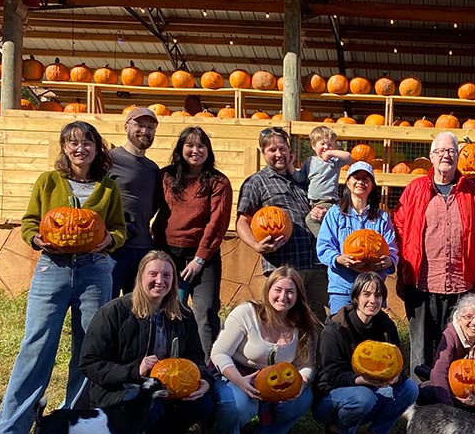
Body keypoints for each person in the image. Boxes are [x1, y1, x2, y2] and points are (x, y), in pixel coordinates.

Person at [0, 121, 126, 434]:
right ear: (64, 148)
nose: (81, 149)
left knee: (88, 351)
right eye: (73, 143)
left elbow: (120, 230)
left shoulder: (108, 188)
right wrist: (36, 238)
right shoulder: (48, 181)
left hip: (95, 270)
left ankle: (72, 425)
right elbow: (30, 222)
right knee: (36, 345)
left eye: (87, 143)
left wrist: (110, 240)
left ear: (98, 148)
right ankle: (11, 430)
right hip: (53, 268)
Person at [79, 250, 213, 434]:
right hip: (120, 388)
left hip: (169, 387)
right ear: (141, 276)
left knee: (203, 403)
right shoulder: (114, 312)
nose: (160, 281)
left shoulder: (183, 315)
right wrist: (135, 370)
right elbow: (89, 363)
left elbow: (196, 358)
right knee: (145, 403)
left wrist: (203, 379)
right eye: (153, 274)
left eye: (167, 275)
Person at [393, 131, 475, 370]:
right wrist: (403, 271)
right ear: (431, 157)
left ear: (458, 156)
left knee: (455, 347)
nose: (446, 155)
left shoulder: (472, 191)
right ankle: (420, 401)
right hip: (421, 282)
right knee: (420, 350)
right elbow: (400, 229)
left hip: (459, 282)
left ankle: (449, 400)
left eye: (451, 151)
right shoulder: (414, 189)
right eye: (440, 151)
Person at [209, 266, 321, 434]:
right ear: (268, 290)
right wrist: (239, 380)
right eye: (278, 290)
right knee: (235, 405)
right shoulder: (246, 313)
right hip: (238, 374)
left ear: (298, 295)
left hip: (278, 380)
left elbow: (307, 365)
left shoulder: (303, 325)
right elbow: (219, 353)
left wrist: (300, 384)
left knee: (303, 398)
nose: (283, 296)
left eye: (290, 291)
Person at [314, 272, 419, 434]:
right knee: (364, 397)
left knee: (409, 388)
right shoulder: (336, 329)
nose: (373, 300)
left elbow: (397, 362)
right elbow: (331, 376)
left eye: (378, 295)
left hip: (370, 388)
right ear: (355, 297)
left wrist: (396, 376)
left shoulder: (386, 326)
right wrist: (363, 380)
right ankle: (338, 432)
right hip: (331, 396)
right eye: (366, 294)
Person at [152, 126, 232, 361]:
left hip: (202, 258)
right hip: (167, 254)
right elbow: (151, 208)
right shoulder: (165, 177)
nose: (195, 150)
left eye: (201, 145)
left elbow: (217, 223)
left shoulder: (218, 182)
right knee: (167, 309)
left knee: (204, 312)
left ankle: (207, 365)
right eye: (190, 145)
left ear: (208, 150)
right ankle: (166, 361)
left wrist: (200, 258)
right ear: (180, 149)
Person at [236, 126, 329, 321]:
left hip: (316, 264)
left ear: (289, 151)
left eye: (282, 149)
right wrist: (256, 245)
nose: (279, 154)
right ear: (263, 153)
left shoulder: (303, 180)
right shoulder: (257, 182)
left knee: (317, 322)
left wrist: (323, 211)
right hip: (284, 267)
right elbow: (242, 221)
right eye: (272, 150)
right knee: (284, 322)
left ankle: (315, 354)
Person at [316, 161, 398, 313]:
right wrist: (338, 259)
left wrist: (389, 261)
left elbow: (392, 248)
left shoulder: (382, 218)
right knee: (341, 330)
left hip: (373, 290)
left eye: (365, 179)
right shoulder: (335, 214)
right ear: (348, 183)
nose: (361, 182)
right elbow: (324, 246)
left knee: (370, 334)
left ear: (372, 185)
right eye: (356, 178)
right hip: (343, 286)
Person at [108, 107, 161, 296]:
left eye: (150, 127)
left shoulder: (153, 169)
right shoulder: (109, 160)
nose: (145, 131)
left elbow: (153, 205)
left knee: (138, 308)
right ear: (126, 127)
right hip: (112, 248)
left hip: (142, 248)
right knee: (108, 307)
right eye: (139, 125)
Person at [423, 294, 475, 409]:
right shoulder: (450, 334)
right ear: (459, 318)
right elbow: (438, 372)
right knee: (424, 392)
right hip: (451, 394)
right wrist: (449, 405)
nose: (474, 322)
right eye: (468, 317)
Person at [300, 125, 352, 237]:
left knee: (310, 220)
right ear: (314, 146)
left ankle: (324, 242)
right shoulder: (310, 161)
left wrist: (331, 153)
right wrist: (290, 166)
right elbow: (300, 177)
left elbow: (348, 157)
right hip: (313, 202)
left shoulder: (334, 162)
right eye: (322, 144)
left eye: (329, 144)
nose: (326, 147)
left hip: (327, 201)